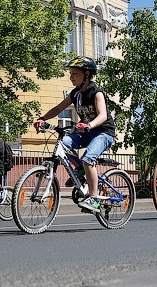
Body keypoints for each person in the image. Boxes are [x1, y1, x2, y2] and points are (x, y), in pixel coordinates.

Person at [35, 56, 116, 212]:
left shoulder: (96, 92)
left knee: (88, 159)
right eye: (70, 74)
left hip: (103, 132)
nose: (71, 77)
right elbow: (58, 108)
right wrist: (42, 118)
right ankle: (79, 170)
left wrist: (89, 125)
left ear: (86, 74)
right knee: (63, 143)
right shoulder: (75, 94)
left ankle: (94, 199)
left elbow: (103, 115)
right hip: (86, 131)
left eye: (74, 74)